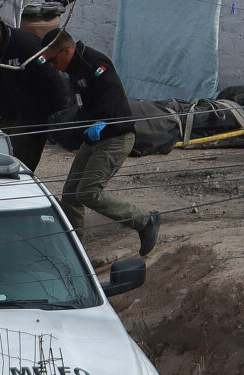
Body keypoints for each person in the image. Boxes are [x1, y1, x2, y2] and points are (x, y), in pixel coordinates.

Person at [40, 28, 160, 256]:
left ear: (66, 50)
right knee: (71, 194)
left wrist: (103, 122)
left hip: (116, 136)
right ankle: (76, 253)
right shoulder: (74, 68)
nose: (52, 66)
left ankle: (144, 221)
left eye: (53, 60)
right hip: (95, 137)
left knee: (88, 192)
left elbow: (114, 100)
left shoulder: (95, 63)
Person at [0, 10, 69, 171]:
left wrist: (61, 120)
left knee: (16, 168)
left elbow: (54, 80)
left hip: (31, 116)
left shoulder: (26, 45)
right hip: (5, 114)